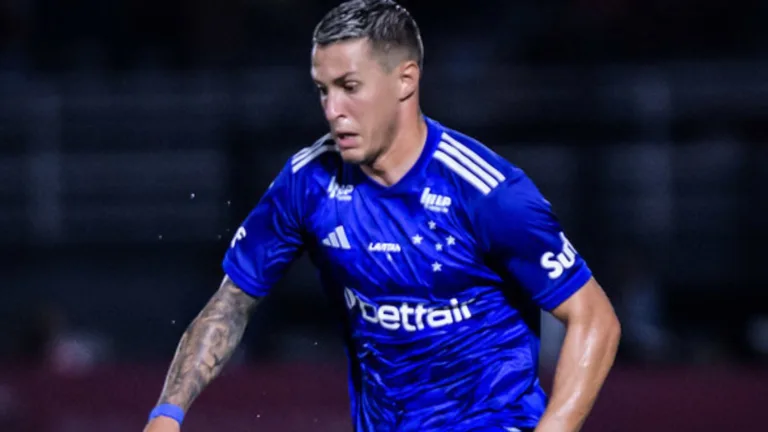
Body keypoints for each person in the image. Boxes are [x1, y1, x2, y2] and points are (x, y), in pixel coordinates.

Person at [143, 1, 621, 431]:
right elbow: (232, 301)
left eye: (350, 87)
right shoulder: (307, 183)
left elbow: (594, 319)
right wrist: (167, 412)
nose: (333, 110)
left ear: (405, 81)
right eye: (322, 90)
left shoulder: (488, 193)